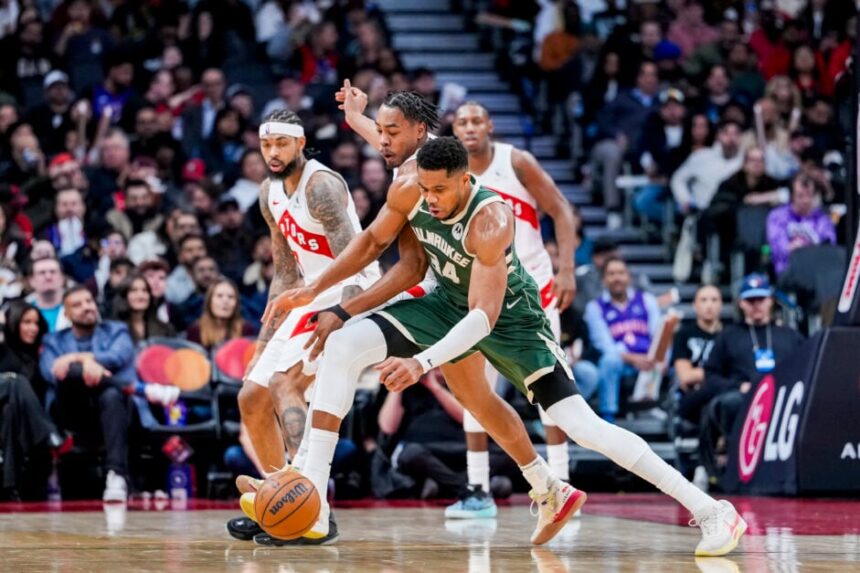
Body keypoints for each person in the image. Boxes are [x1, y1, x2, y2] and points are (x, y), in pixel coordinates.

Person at [267, 135, 745, 555]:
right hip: (446, 304)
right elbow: (373, 241)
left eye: (439, 191)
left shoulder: (491, 219)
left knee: (582, 426)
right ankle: (315, 496)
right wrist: (315, 289)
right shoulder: (414, 187)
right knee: (344, 342)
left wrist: (421, 363)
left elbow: (483, 318)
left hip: (512, 323)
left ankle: (712, 510)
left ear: (464, 180)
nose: (429, 200)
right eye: (425, 189)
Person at [225, 109, 384, 544]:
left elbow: (356, 259)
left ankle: (315, 513)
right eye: (266, 145)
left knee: (286, 385)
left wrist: (343, 314)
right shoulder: (268, 193)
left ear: (300, 143)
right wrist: (263, 343)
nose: (273, 153)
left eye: (281, 143)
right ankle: (280, 505)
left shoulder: (321, 187)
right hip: (307, 294)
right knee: (251, 397)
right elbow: (284, 274)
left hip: (351, 290)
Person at [446, 100, 578, 517]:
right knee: (475, 392)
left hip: (533, 291)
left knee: (551, 390)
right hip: (481, 295)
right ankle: (478, 489)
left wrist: (567, 268)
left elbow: (561, 209)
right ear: (454, 130)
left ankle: (562, 484)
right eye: (462, 122)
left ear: (489, 125)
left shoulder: (515, 161)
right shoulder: (451, 175)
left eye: (476, 120)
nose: (470, 127)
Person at [701, 274, 805, 482]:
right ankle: (728, 467)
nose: (756, 305)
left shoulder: (790, 335)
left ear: (770, 301)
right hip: (743, 399)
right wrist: (738, 386)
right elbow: (711, 375)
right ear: (741, 303)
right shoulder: (728, 336)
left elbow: (806, 367)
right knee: (728, 403)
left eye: (761, 299)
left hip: (784, 399)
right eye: (751, 300)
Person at [39, 286, 136, 502]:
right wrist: (84, 366)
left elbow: (118, 356)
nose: (86, 307)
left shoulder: (116, 330)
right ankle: (139, 389)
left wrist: (77, 358)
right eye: (77, 305)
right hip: (72, 411)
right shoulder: (53, 340)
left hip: (113, 411)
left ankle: (116, 474)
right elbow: (51, 372)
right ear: (66, 314)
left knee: (110, 394)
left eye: (89, 301)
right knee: (69, 374)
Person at [0, 301, 66, 500]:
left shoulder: (40, 354)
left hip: (18, 420)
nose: (33, 328)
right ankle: (49, 434)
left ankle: (9, 485)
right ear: (13, 323)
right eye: (26, 322)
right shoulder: (3, 350)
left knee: (11, 411)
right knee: (16, 381)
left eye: (36, 323)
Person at [584, 257, 662, 423]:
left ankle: (663, 411)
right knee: (609, 360)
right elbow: (605, 346)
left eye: (621, 273)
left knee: (669, 354)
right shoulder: (595, 307)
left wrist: (654, 357)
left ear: (629, 277)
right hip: (621, 362)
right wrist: (633, 359)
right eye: (611, 274)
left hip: (649, 358)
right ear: (604, 280)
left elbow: (658, 334)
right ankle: (608, 417)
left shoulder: (646, 300)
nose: (617, 278)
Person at [766, 173, 836, 276]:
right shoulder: (777, 216)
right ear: (791, 196)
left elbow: (829, 247)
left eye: (809, 195)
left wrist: (806, 248)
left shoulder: (822, 219)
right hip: (788, 271)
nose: (805, 200)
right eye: (800, 196)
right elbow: (777, 249)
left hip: (816, 273)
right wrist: (795, 248)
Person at [673, 285, 723, 426]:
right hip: (692, 396)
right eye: (703, 300)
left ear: (721, 304)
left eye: (714, 300)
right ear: (694, 305)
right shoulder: (683, 334)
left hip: (721, 393)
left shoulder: (730, 334)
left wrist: (700, 375)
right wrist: (720, 376)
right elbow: (685, 376)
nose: (709, 305)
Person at [185, 278, 254, 350]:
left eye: (231, 297)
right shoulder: (195, 330)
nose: (225, 301)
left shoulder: (246, 330)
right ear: (209, 301)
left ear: (237, 303)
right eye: (219, 296)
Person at [110, 273, 175, 344]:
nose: (140, 295)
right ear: (124, 296)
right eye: (134, 290)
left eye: (144, 290)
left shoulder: (166, 329)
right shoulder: (113, 329)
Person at [25, 257, 70, 332]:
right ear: (31, 280)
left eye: (53, 272)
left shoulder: (79, 305)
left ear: (62, 278)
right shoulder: (21, 309)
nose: (48, 277)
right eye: (42, 273)